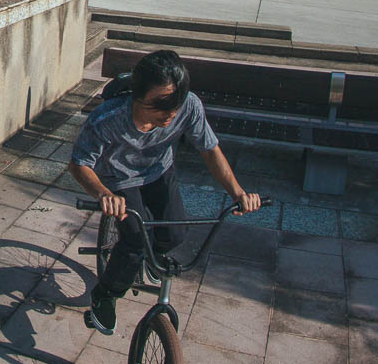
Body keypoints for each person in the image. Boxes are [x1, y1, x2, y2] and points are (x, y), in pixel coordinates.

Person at [69, 49, 262, 335]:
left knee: (175, 234)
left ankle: (149, 255)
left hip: (159, 171)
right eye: (161, 105)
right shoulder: (107, 118)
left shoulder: (188, 107)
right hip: (118, 178)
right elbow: (79, 164)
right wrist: (103, 193)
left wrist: (238, 192)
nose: (171, 114)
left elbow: (209, 149)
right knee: (136, 240)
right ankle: (105, 294)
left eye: (175, 104)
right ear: (137, 96)